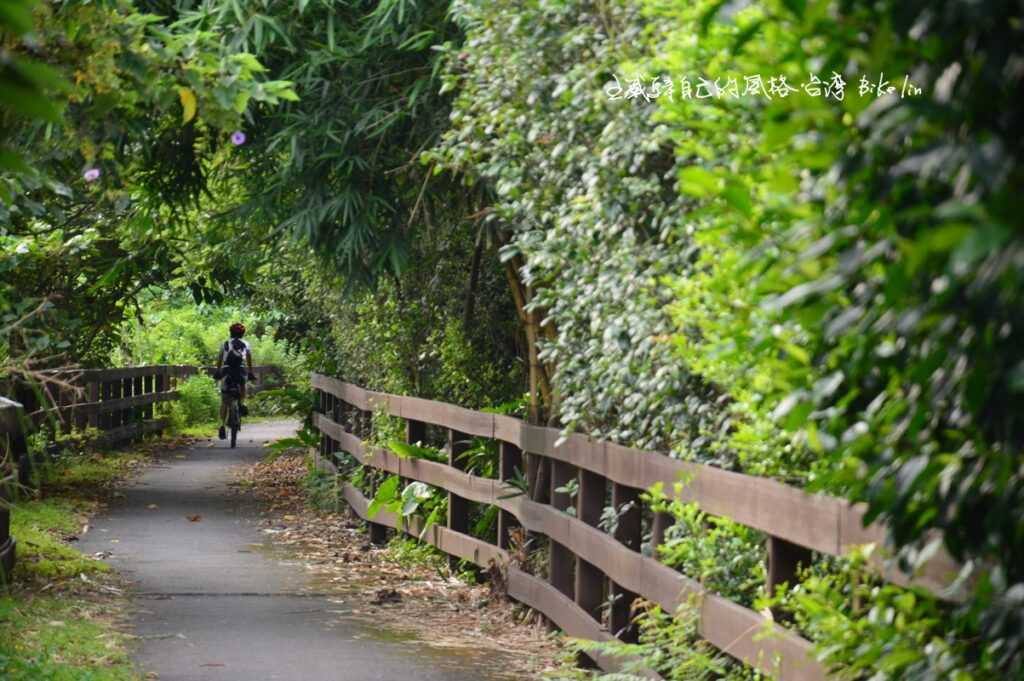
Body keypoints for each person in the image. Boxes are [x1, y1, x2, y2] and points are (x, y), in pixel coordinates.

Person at [216, 322, 256, 440]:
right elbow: (248, 358)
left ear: (230, 332)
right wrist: (250, 372)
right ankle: (242, 404)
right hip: (240, 370)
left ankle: (222, 425)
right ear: (243, 334)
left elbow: (219, 359)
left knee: (224, 400)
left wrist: (218, 371)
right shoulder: (245, 344)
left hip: (227, 371)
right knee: (243, 385)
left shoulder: (225, 344)